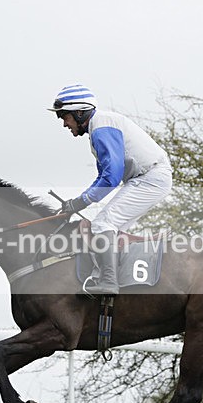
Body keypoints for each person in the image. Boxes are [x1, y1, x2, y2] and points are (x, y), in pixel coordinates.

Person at [48, 84, 172, 295]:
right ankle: (118, 280)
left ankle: (109, 281)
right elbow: (103, 177)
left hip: (150, 178)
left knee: (103, 223)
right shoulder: (99, 128)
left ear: (80, 113)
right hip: (144, 178)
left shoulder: (101, 128)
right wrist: (79, 201)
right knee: (107, 228)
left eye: (64, 117)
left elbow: (111, 178)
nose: (64, 124)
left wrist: (80, 201)